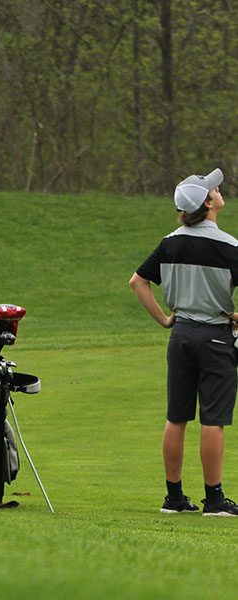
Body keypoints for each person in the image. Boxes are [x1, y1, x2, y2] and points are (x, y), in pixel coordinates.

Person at [130, 167, 238, 516]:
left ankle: (174, 498)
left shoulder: (169, 243)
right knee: (213, 419)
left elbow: (138, 282)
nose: (218, 190)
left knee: (177, 416)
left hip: (180, 336)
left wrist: (164, 318)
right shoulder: (230, 247)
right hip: (216, 339)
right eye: (212, 190)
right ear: (208, 204)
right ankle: (214, 499)